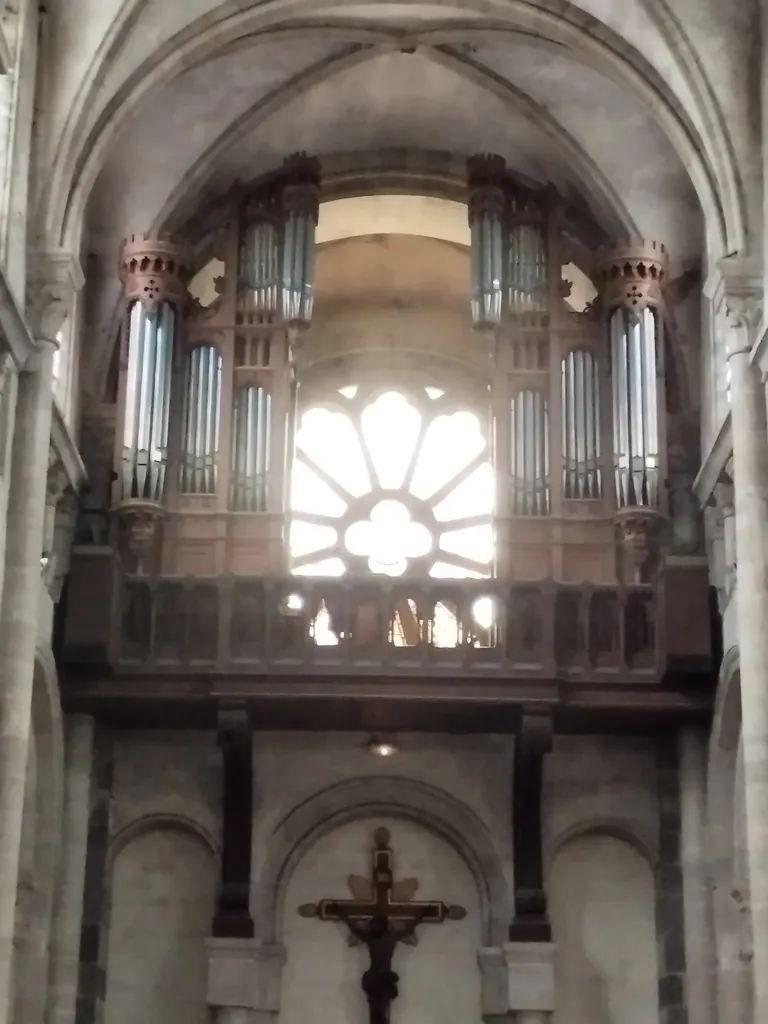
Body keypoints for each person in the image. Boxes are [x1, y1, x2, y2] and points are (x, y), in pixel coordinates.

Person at [331, 904, 428, 1024]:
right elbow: (354, 928)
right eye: (373, 924)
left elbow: (409, 928)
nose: (372, 926)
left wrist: (421, 915)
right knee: (376, 1010)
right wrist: (341, 913)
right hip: (375, 979)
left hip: (383, 979)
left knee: (381, 1010)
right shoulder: (374, 938)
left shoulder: (389, 938)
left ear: (383, 925)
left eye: (375, 924)